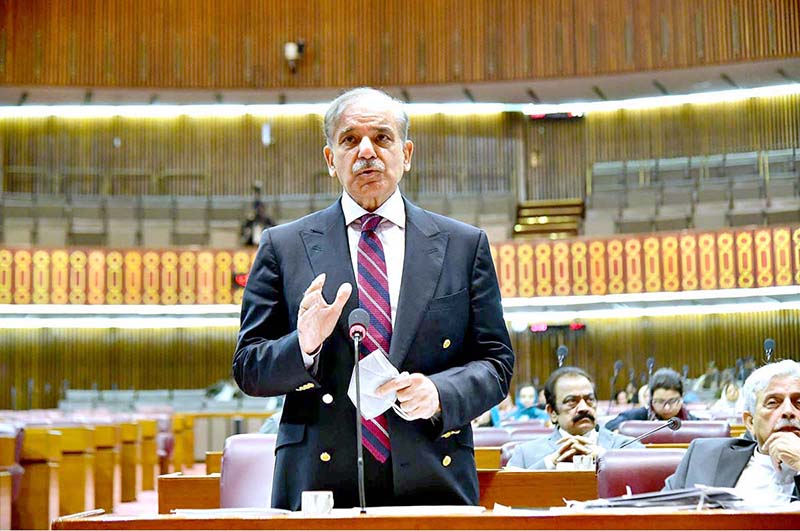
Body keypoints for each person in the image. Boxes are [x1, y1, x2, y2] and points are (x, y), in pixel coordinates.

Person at [232, 87, 515, 510]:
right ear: (331, 160)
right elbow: (249, 368)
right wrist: (303, 346)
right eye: (349, 140)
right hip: (317, 480)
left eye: (382, 138)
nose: (366, 151)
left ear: (407, 154)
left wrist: (439, 392)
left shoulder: (463, 245)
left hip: (432, 469)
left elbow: (496, 363)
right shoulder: (283, 246)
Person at [664, 360, 800, 503]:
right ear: (750, 422)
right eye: (773, 403)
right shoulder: (703, 457)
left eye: (799, 403)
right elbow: (658, 518)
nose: (788, 411)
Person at [508, 367, 642, 470]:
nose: (583, 408)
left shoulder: (627, 447)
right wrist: (549, 464)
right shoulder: (525, 455)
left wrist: (605, 458)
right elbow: (506, 495)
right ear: (552, 412)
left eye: (589, 400)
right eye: (571, 401)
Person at [605, 368, 698, 432]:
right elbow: (608, 428)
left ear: (681, 398)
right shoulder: (636, 416)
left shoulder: (693, 422)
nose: (667, 408)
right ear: (651, 399)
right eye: (660, 401)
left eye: (672, 401)